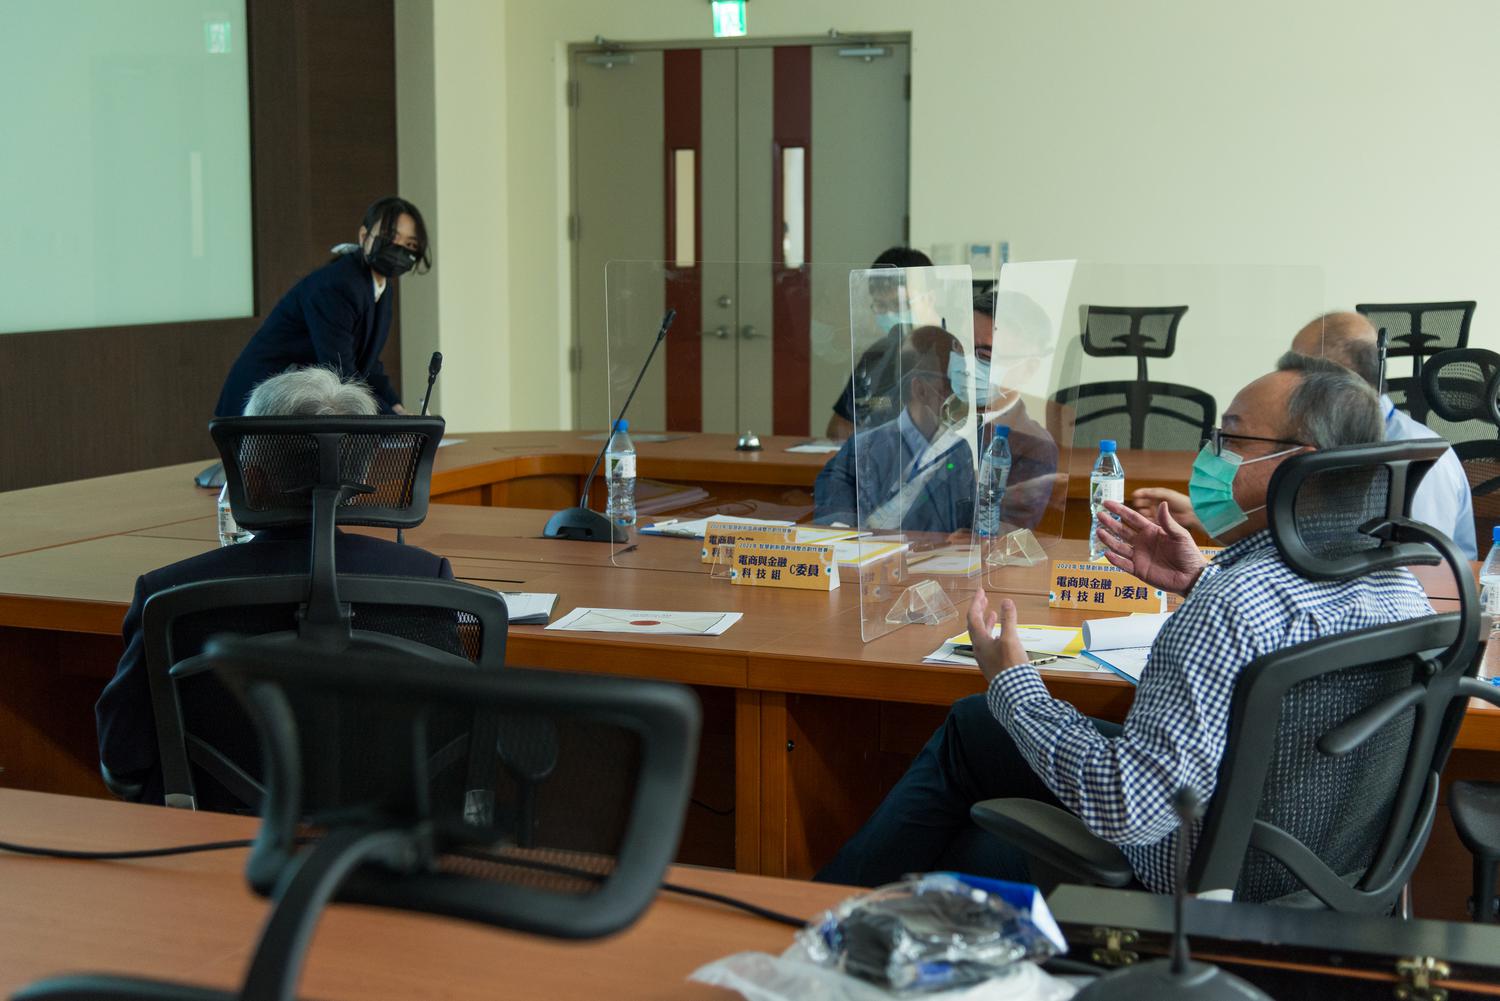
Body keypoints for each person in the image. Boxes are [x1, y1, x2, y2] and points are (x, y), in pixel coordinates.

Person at [815, 353, 1434, 891]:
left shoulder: (1234, 606)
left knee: (958, 842)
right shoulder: (1399, 586)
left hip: (1192, 888)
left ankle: (824, 917)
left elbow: (1130, 806)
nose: (1210, 454)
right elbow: (1282, 635)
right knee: (974, 726)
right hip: (1308, 874)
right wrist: (1200, 579)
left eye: (1231, 438)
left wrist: (1014, 683)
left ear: (1300, 464)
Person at [96, 367, 454, 806]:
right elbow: (456, 737)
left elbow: (122, 758)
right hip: (383, 840)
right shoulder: (427, 580)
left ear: (250, 478)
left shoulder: (168, 592)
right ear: (361, 479)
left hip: (210, 839)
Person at [1131, 311, 1477, 559]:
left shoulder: (1417, 458)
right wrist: (1208, 519)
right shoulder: (1347, 445)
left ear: (1342, 380)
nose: (1288, 377)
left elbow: (1419, 573)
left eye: (1305, 369)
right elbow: (1318, 539)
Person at [813, 289, 1060, 534]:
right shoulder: (925, 395)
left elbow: (997, 536)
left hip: (933, 556)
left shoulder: (1032, 447)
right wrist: (841, 528)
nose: (967, 363)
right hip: (864, 549)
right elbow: (842, 472)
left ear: (1028, 368)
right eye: (961, 347)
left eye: (985, 355)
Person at [213, 196, 431, 417]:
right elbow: (340, 371)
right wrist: (391, 419)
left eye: (410, 244)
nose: (398, 248)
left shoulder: (381, 288)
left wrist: (396, 408)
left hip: (294, 403)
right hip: (264, 402)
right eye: (390, 237)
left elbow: (369, 364)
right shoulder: (338, 285)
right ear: (364, 236)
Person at [825, 247, 934, 441]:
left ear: (930, 298)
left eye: (900, 304)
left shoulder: (955, 352)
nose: (890, 314)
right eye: (881, 306)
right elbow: (838, 428)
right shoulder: (876, 356)